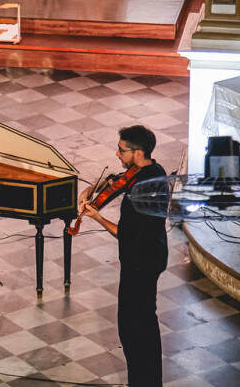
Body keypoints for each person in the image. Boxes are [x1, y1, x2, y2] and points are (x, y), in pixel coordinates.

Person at [79, 125, 168, 387]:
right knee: (139, 324)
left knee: (134, 328)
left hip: (141, 262)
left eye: (121, 150)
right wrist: (92, 189)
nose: (117, 154)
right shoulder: (151, 170)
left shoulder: (145, 191)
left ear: (138, 153)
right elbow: (118, 180)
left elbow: (126, 234)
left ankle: (144, 383)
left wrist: (97, 217)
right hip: (144, 259)